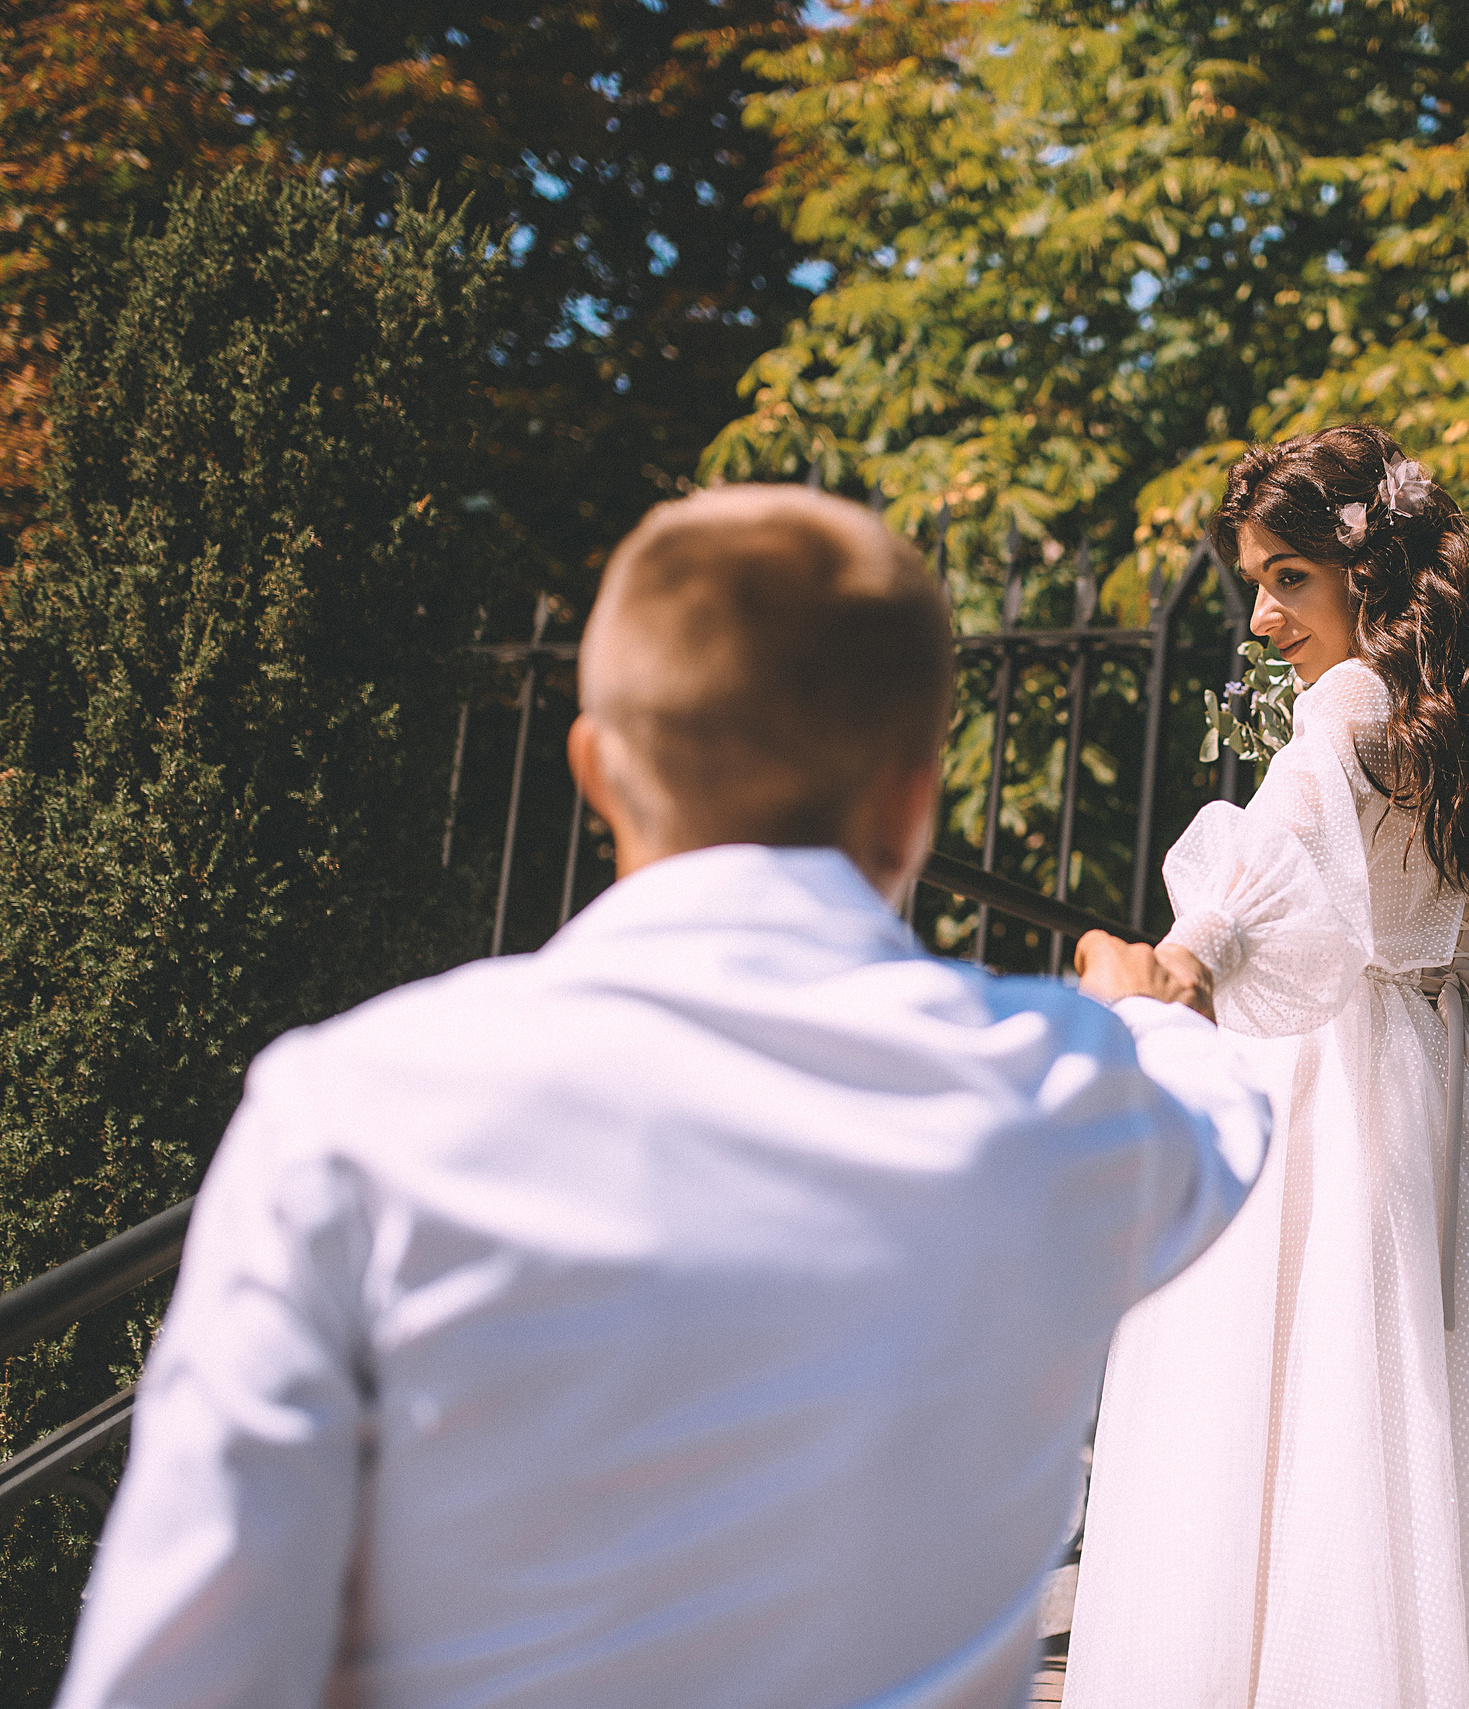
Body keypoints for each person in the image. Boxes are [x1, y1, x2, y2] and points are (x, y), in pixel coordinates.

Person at [53, 485, 1267, 1709]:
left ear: (592, 766)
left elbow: (180, 1661)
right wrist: (1147, 1009)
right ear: (915, 792)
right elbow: (1224, 1118)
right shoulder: (1057, 1095)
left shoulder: (349, 1110)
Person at [1063, 426, 1469, 1708]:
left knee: (1324, 1411)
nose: (1260, 615)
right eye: (1256, 580)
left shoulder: (1343, 713)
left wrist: (1161, 976)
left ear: (1370, 570)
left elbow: (1253, 895)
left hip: (1342, 1085)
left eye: (1287, 576)